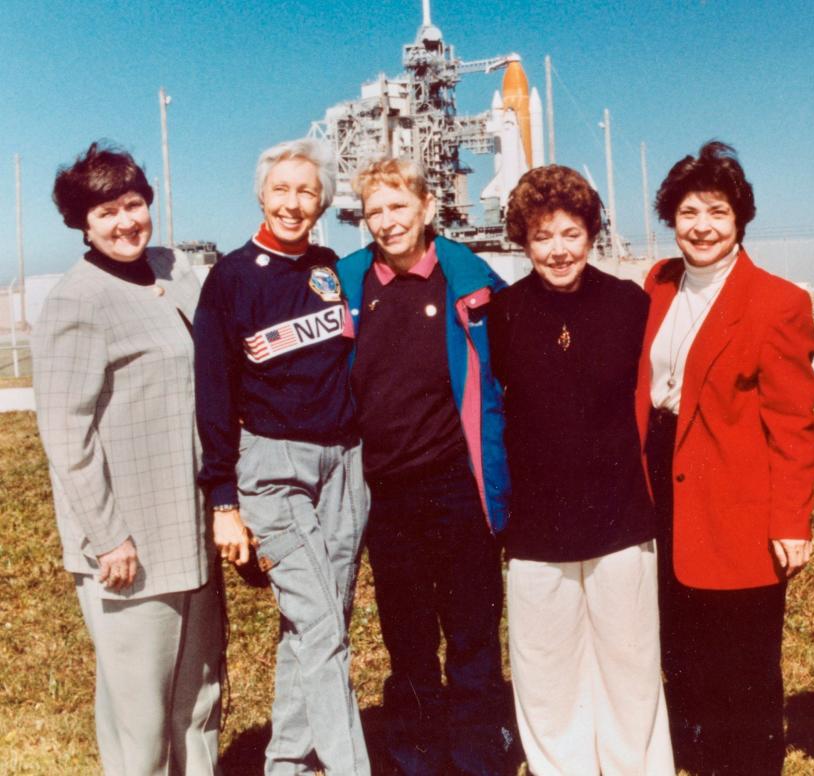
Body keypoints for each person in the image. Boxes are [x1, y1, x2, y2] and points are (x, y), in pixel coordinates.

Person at [33, 142, 222, 775]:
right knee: (139, 720)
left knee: (198, 702)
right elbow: (66, 433)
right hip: (130, 542)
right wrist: (108, 536)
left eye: (134, 204)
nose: (125, 222)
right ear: (82, 223)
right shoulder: (75, 300)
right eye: (107, 211)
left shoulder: (172, 270)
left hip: (190, 529)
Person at [636, 141, 814, 775]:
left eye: (716, 211)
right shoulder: (657, 283)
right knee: (678, 636)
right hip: (660, 477)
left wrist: (791, 521)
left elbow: (795, 425)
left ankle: (746, 762)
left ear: (739, 218)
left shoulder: (776, 301)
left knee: (741, 651)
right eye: (689, 212)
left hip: (735, 490)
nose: (702, 227)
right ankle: (696, 757)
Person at [489, 165, 675, 775]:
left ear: (590, 233)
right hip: (537, 527)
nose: (558, 249)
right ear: (524, 241)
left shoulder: (629, 305)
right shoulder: (503, 313)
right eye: (543, 237)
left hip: (620, 518)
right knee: (545, 670)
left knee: (630, 662)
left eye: (570, 233)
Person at [194, 138, 370, 774]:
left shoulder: (329, 267)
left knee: (319, 620)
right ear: (262, 195)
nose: (294, 203)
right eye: (282, 190)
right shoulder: (232, 277)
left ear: (323, 201)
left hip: (345, 465)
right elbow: (213, 394)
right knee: (322, 627)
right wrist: (222, 498)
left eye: (307, 192)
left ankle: (288, 763)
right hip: (273, 468)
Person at [336, 157, 512, 775]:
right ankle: (416, 756)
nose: (387, 221)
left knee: (470, 629)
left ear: (427, 207)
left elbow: (509, 378)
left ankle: (478, 756)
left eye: (398, 206)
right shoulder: (349, 282)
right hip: (387, 492)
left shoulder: (471, 279)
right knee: (407, 635)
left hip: (458, 487)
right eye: (374, 211)